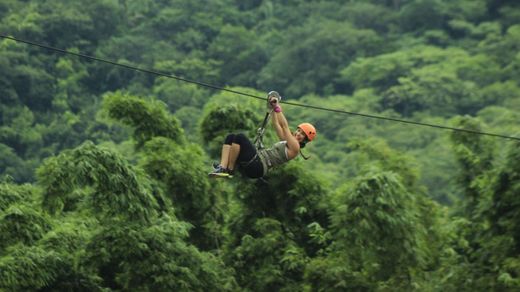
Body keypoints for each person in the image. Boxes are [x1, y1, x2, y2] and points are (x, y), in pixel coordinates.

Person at [209, 91, 316, 179]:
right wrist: (273, 109)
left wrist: (277, 107)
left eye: (302, 135)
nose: (298, 134)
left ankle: (230, 169)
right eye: (299, 131)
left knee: (240, 137)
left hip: (259, 165)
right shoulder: (287, 141)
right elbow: (277, 125)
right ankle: (223, 167)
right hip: (256, 163)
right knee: (231, 137)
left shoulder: (295, 147)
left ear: (304, 140)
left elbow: (284, 127)